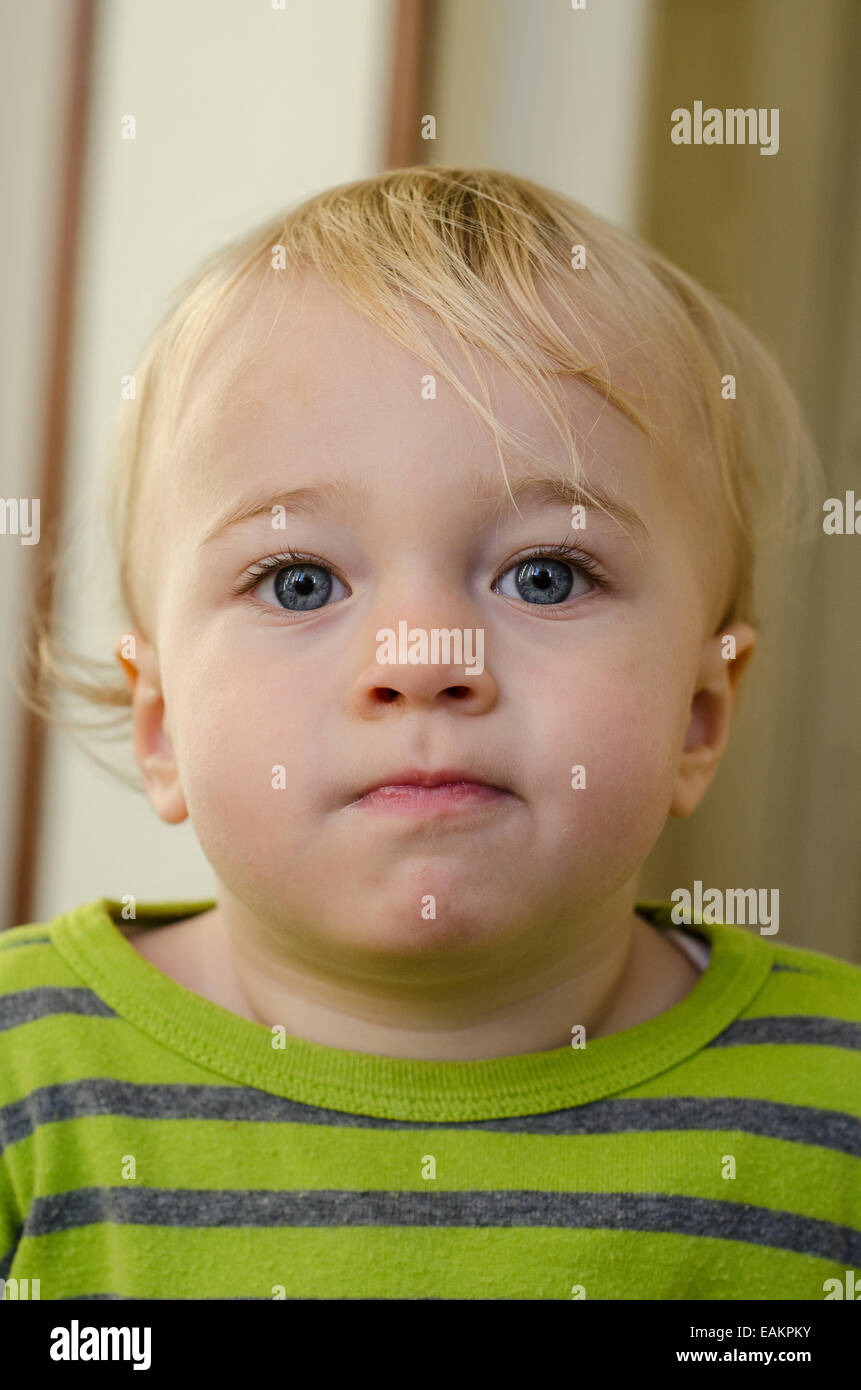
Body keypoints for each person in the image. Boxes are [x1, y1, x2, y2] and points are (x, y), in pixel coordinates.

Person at [2, 167, 858, 1301]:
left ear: (702, 715)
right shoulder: (27, 1079)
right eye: (300, 581)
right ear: (160, 727)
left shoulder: (833, 1101)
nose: (423, 662)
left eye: (546, 574)